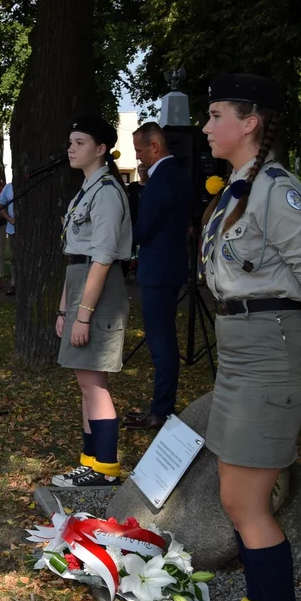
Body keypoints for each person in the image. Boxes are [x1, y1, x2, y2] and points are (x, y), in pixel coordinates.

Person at [194, 75, 301, 601]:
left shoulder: (275, 189)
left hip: (272, 349)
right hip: (241, 347)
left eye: (215, 115)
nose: (206, 127)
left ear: (249, 122)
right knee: (239, 497)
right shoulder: (238, 187)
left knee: (245, 503)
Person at [51, 116, 132, 489]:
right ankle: (90, 462)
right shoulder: (86, 190)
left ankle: (106, 468)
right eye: (70, 141)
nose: (71, 148)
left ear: (100, 149)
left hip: (99, 288)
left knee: (94, 384)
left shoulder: (108, 193)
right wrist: (65, 310)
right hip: (81, 282)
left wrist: (83, 315)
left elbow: (101, 258)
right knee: (86, 383)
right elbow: (75, 260)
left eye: (80, 142)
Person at [122, 122, 194, 431]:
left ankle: (161, 410)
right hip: (168, 265)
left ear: (154, 147)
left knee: (161, 343)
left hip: (159, 269)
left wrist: (118, 234)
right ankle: (159, 406)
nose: (137, 156)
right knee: (161, 341)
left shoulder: (162, 177)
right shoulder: (177, 174)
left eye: (139, 149)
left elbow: (146, 228)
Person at [0, 178, 17, 295]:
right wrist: (9, 218)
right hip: (13, 229)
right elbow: (0, 206)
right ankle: (14, 284)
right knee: (14, 258)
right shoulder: (9, 187)